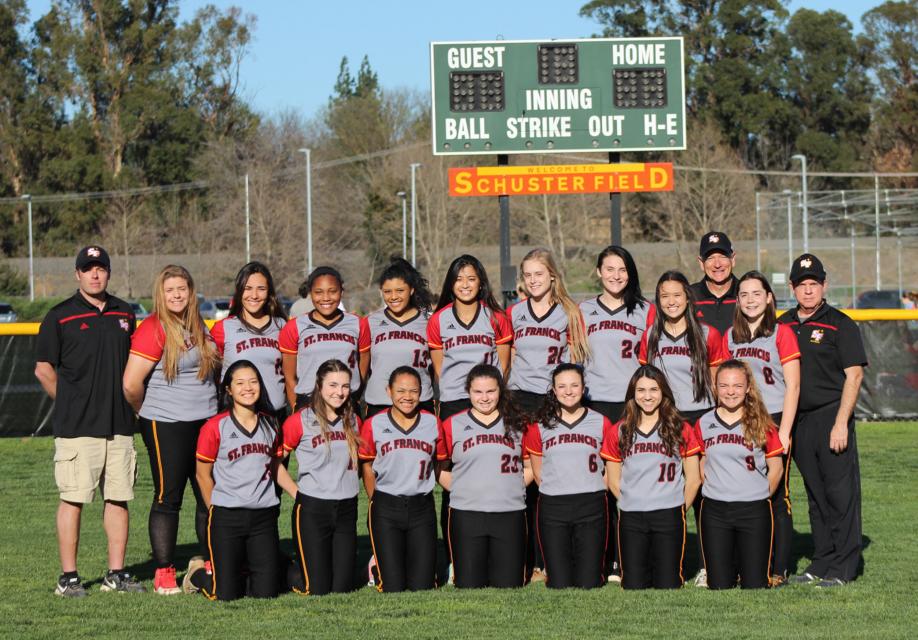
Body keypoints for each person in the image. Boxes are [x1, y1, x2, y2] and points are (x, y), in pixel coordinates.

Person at [35, 245, 145, 597]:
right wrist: (68, 402)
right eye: (88, 269)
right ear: (77, 274)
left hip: (119, 424)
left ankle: (116, 573)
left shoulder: (125, 313)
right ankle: (68, 578)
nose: (95, 274)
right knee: (73, 498)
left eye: (100, 268)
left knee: (118, 498)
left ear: (109, 273)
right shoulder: (59, 315)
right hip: (78, 427)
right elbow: (43, 368)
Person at [123, 264, 220, 595]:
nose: (177, 295)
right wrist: (144, 413)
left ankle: (210, 562)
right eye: (170, 290)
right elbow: (131, 383)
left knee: (208, 494)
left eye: (182, 289)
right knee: (169, 496)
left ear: (191, 292)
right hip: (167, 422)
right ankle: (164, 571)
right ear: (160, 295)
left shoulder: (197, 324)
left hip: (204, 420)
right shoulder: (154, 327)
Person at [779, 254, 867, 587]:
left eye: (814, 284)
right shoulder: (783, 323)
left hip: (831, 415)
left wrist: (841, 421)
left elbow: (854, 375)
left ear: (824, 285)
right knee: (814, 494)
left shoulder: (840, 323)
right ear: (792, 287)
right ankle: (823, 560)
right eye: (802, 285)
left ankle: (844, 566)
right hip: (799, 419)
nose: (808, 291)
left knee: (839, 494)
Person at [639, 270, 727, 587]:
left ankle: (709, 565)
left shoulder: (708, 333)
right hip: (668, 421)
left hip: (701, 419)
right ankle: (661, 562)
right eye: (665, 296)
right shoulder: (650, 335)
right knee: (664, 490)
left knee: (704, 494)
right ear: (658, 300)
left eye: (677, 294)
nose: (672, 301)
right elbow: (646, 382)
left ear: (688, 297)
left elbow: (718, 383)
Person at [507, 248, 589, 583]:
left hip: (552, 403)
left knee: (548, 482)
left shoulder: (568, 312)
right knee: (519, 482)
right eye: (527, 275)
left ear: (552, 275)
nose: (533, 280)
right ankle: (521, 560)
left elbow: (575, 360)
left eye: (539, 274)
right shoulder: (514, 314)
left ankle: (545, 561)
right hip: (519, 401)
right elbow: (509, 357)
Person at [428, 254, 513, 577]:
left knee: (490, 473)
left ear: (481, 283)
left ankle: (492, 550)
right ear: (451, 283)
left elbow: (502, 365)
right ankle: (455, 557)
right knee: (453, 482)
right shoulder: (439, 320)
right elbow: (440, 368)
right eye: (459, 279)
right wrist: (456, 396)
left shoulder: (495, 318)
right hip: (454, 405)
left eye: (471, 279)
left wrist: (489, 396)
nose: (465, 285)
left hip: (489, 404)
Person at [580, 245, 651, 582]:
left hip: (631, 406)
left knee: (631, 482)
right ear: (598, 272)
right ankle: (603, 558)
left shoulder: (644, 311)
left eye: (622, 269)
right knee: (600, 485)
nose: (616, 275)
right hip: (595, 405)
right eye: (609, 269)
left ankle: (630, 558)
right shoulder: (583, 311)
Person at [725, 270, 801, 585]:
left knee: (775, 494)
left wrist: (784, 431)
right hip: (744, 422)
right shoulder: (732, 335)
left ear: (769, 297)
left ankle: (778, 567)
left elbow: (794, 385)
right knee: (746, 492)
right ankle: (749, 562)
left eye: (757, 293)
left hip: (775, 417)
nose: (751, 300)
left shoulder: (781, 332)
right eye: (744, 294)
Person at [185, 360, 283, 601]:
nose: (247, 388)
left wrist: (297, 492)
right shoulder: (214, 426)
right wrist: (215, 511)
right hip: (227, 516)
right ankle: (197, 574)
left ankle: (245, 568)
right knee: (225, 594)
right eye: (239, 383)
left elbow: (276, 466)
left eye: (253, 381)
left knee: (266, 594)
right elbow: (202, 475)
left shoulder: (270, 423)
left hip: (263, 517)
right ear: (228, 389)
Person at [601, 365, 702, 589]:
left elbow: (694, 478)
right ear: (632, 394)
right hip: (633, 515)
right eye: (641, 390)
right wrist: (632, 501)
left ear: (663, 392)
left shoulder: (680, 427)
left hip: (669, 513)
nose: (647, 396)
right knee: (633, 585)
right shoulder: (620, 430)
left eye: (654, 390)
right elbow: (614, 479)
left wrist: (678, 509)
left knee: (668, 584)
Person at [436, 364, 531, 588]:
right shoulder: (451, 424)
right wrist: (461, 490)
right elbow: (439, 469)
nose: (485, 398)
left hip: (509, 511)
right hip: (467, 514)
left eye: (491, 391)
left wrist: (513, 488)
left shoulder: (518, 422)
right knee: (468, 585)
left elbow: (530, 466)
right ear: (468, 392)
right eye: (478, 392)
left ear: (501, 391)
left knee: (509, 585)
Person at [695, 360, 784, 590]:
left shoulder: (763, 423)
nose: (730, 392)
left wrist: (761, 495)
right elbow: (701, 463)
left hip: (753, 510)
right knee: (719, 586)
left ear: (747, 388)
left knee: (755, 585)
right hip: (715, 511)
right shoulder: (704, 423)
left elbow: (777, 468)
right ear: (715, 387)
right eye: (724, 386)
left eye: (737, 386)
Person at [279, 359, 361, 595]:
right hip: (313, 508)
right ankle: (278, 565)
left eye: (345, 386)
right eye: (333, 385)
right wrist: (298, 494)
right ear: (319, 385)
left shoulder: (354, 420)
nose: (340, 392)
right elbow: (275, 463)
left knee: (342, 588)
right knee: (316, 588)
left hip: (346, 508)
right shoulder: (300, 420)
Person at [524, 364, 608, 589]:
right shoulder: (539, 426)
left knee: (589, 583)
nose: (568, 391)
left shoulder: (601, 422)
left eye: (574, 385)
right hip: (554, 506)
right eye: (562, 386)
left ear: (583, 388)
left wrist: (598, 487)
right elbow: (538, 471)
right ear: (553, 389)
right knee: (558, 583)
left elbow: (611, 466)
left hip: (591, 504)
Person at [359, 366, 440, 592]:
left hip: (421, 506)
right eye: (401, 390)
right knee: (392, 586)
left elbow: (439, 461)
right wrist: (376, 499)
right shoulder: (374, 424)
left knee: (423, 586)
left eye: (413, 391)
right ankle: (375, 567)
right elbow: (366, 465)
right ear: (388, 391)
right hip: (386, 505)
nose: (407, 397)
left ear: (422, 392)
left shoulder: (432, 422)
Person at [279, 267, 369, 410]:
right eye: (318, 292)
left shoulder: (359, 323)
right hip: (309, 403)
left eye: (332, 291)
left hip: (346, 401)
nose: (326, 298)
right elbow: (289, 377)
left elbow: (363, 365)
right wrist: (296, 406)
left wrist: (356, 397)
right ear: (310, 293)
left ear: (341, 291)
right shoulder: (294, 326)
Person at [211, 262, 288, 423]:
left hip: (275, 415)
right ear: (239, 291)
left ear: (269, 293)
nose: (254, 295)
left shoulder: (282, 326)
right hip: (236, 417)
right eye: (247, 288)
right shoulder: (224, 328)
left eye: (261, 289)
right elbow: (212, 373)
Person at [361, 258, 436, 417]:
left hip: (419, 402)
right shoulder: (370, 322)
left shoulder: (429, 322)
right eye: (387, 292)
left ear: (411, 290)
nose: (393, 296)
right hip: (380, 403)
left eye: (400, 290)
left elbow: (437, 367)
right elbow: (363, 367)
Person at [690, 231, 739, 335]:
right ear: (701, 263)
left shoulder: (747, 294)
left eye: (723, 256)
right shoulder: (689, 296)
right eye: (710, 258)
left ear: (733, 259)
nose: (717, 264)